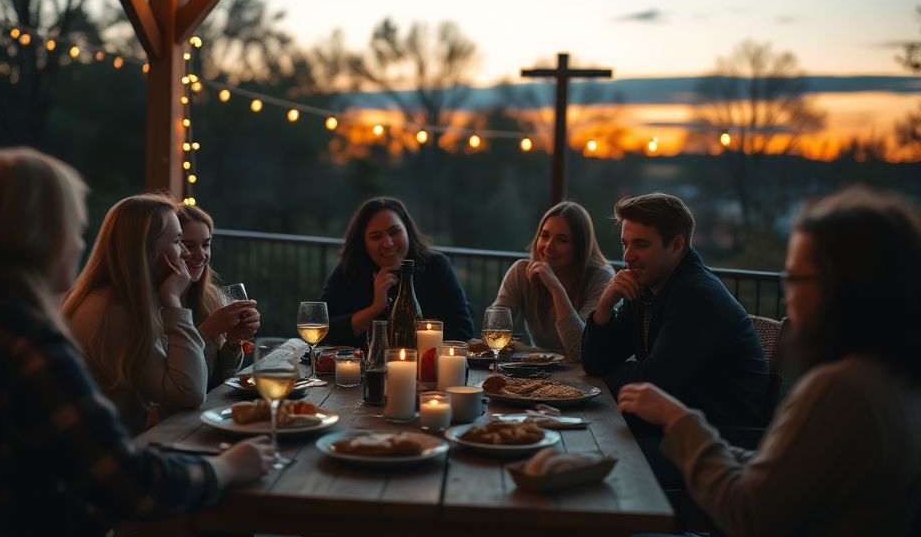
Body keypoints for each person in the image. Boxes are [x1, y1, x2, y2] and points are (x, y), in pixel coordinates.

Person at [0, 148, 273, 537]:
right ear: (38, 237)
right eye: (74, 230)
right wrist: (226, 468)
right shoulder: (24, 344)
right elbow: (123, 481)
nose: (80, 246)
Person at [619, 187, 921, 537]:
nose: (787, 296)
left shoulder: (840, 390)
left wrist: (679, 421)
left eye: (796, 278)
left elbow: (748, 515)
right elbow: (780, 481)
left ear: (849, 287)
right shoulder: (897, 382)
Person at [581, 192, 770, 434]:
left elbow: (653, 382)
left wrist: (612, 372)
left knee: (591, 451)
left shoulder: (695, 296)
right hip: (672, 428)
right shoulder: (646, 286)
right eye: (625, 244)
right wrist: (605, 305)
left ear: (676, 245)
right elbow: (594, 364)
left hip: (721, 441)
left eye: (641, 244)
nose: (627, 257)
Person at [64, 193, 222, 436]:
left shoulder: (132, 301)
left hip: (141, 438)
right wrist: (172, 302)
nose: (185, 253)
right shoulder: (110, 311)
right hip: (117, 453)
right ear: (145, 249)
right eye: (178, 240)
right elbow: (190, 392)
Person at [319, 197, 474, 348]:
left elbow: (463, 331)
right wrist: (375, 308)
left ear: (407, 230)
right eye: (376, 237)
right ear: (363, 242)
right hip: (360, 371)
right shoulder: (349, 269)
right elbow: (320, 330)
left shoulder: (435, 265)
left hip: (425, 370)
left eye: (394, 232)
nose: (388, 243)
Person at [493, 201, 613, 361]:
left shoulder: (602, 278)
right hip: (538, 366)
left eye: (562, 240)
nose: (549, 246)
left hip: (584, 371)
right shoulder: (521, 271)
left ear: (580, 247)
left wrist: (556, 288)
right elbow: (494, 330)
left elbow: (580, 350)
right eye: (544, 236)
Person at [178, 203, 259, 389]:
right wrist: (208, 332)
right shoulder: (158, 304)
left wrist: (232, 342)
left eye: (206, 245)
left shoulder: (211, 297)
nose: (201, 255)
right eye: (189, 246)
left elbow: (224, 376)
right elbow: (180, 384)